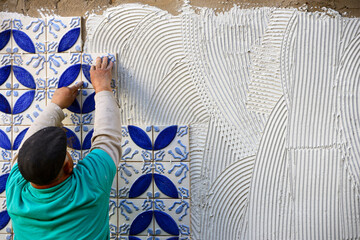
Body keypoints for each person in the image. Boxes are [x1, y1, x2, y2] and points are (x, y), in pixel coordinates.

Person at [5, 56, 121, 240]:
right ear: (68, 166)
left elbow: (26, 147)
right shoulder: (90, 185)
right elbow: (108, 138)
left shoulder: (15, 193)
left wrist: (55, 105)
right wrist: (103, 88)